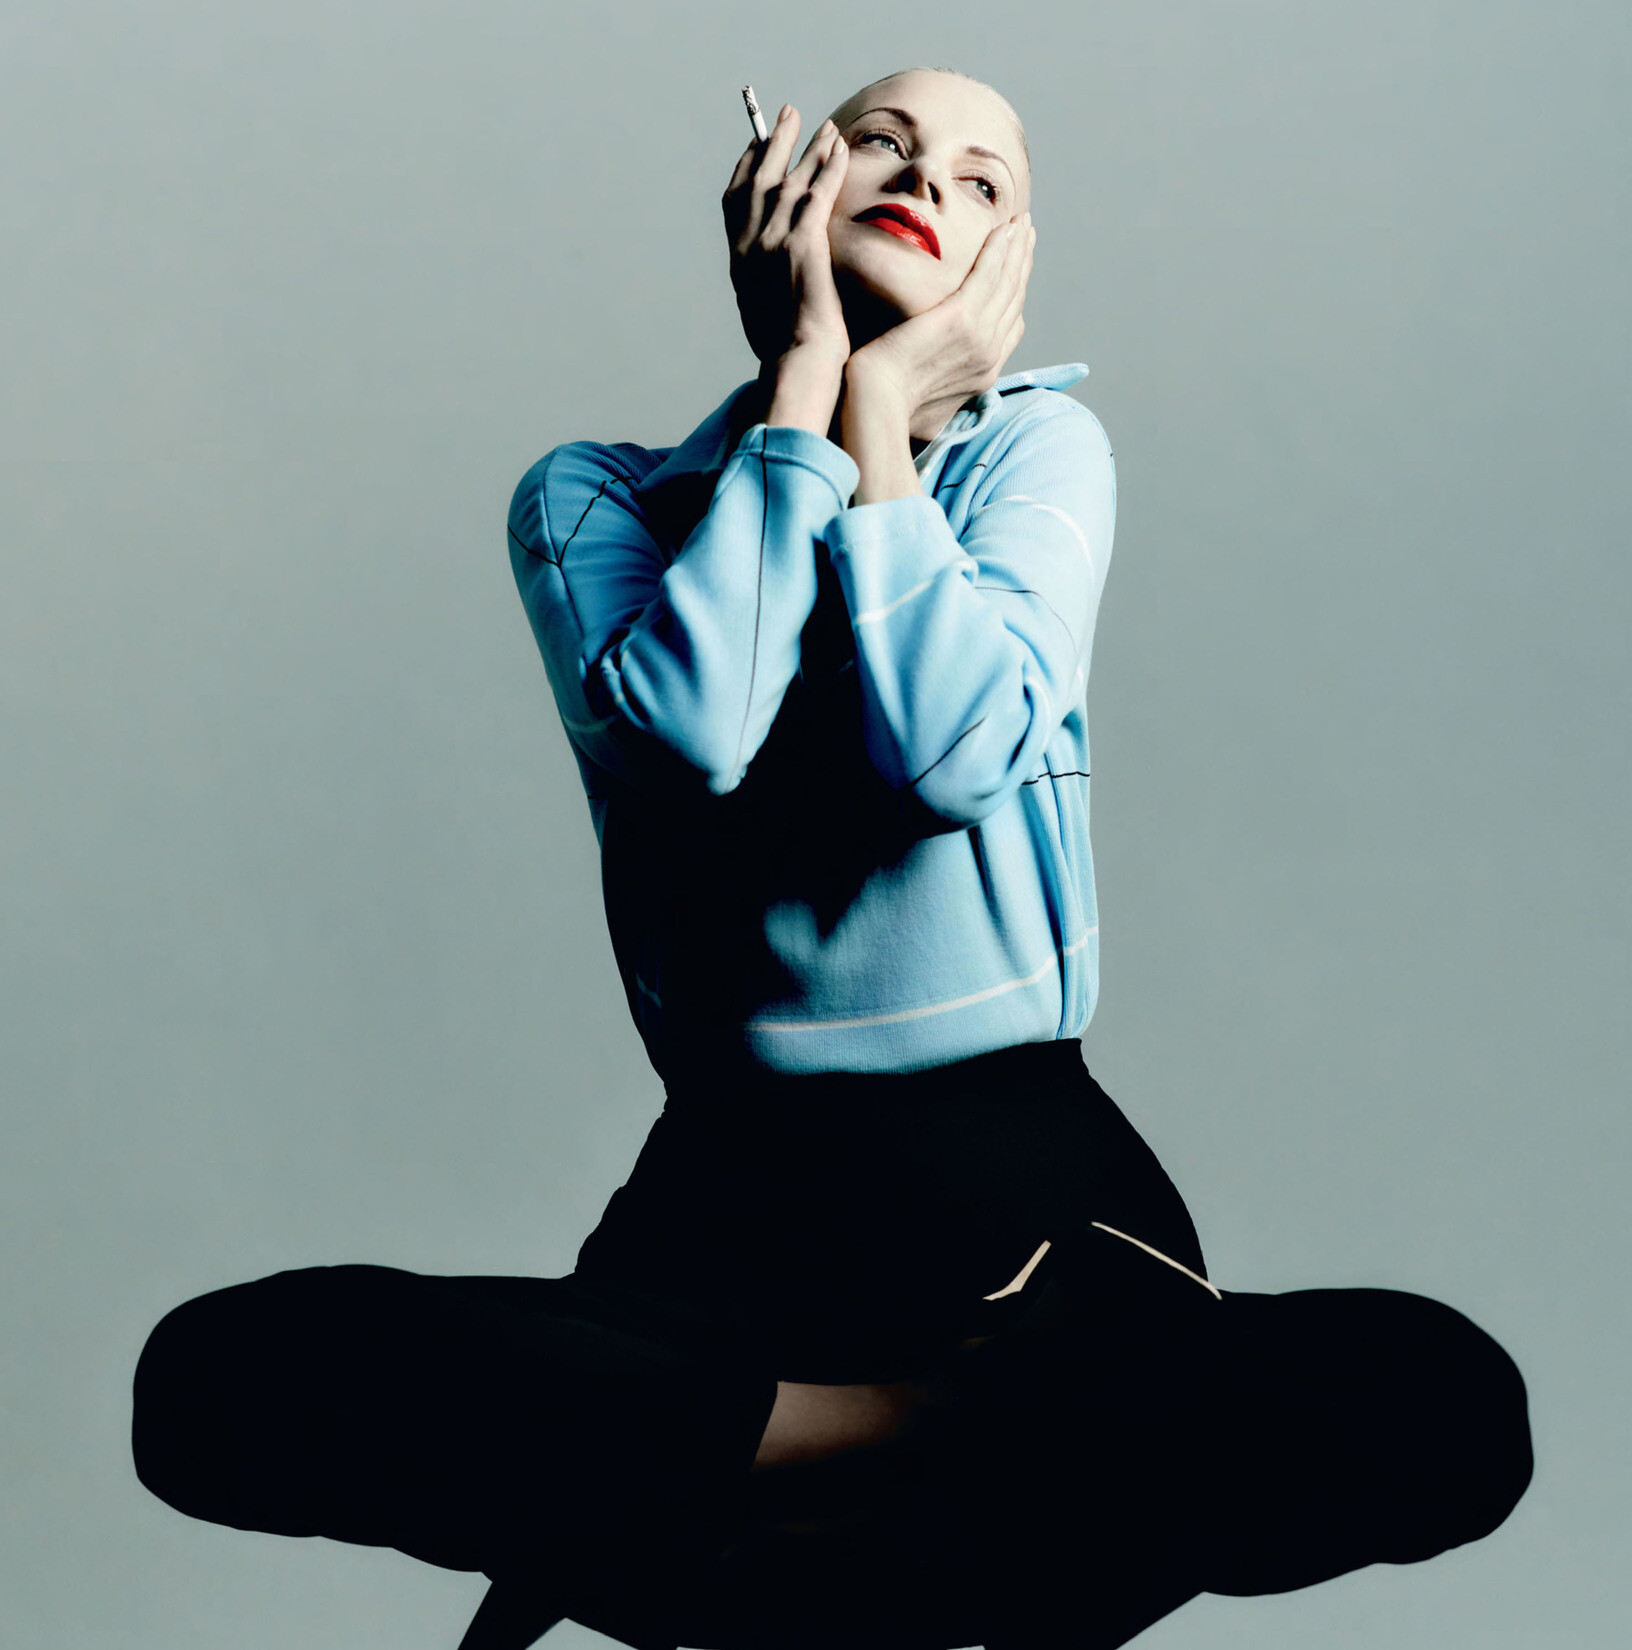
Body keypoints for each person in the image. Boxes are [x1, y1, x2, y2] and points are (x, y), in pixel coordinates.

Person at [130, 67, 1534, 1650]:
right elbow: (695, 730)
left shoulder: (1036, 453)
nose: (929, 178)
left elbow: (947, 749)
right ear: (781, 182)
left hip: (1030, 1213)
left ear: (1007, 263)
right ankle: (914, 1434)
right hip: (736, 1229)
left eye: (983, 179)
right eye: (884, 141)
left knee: (1450, 1403)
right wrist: (805, 383)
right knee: (210, 1385)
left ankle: (758, 1483)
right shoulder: (595, 498)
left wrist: (882, 420)